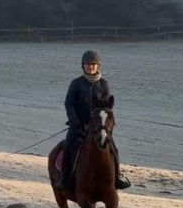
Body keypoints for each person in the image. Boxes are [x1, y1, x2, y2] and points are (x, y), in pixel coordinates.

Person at [55, 50, 131, 191]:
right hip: (78, 126)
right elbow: (69, 103)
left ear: (98, 66)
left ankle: (117, 177)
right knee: (68, 148)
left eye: (93, 64)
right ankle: (64, 180)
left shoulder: (104, 84)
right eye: (88, 64)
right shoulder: (76, 83)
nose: (90, 67)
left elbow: (107, 106)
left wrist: (105, 125)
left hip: (98, 128)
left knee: (114, 149)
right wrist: (74, 121)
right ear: (83, 66)